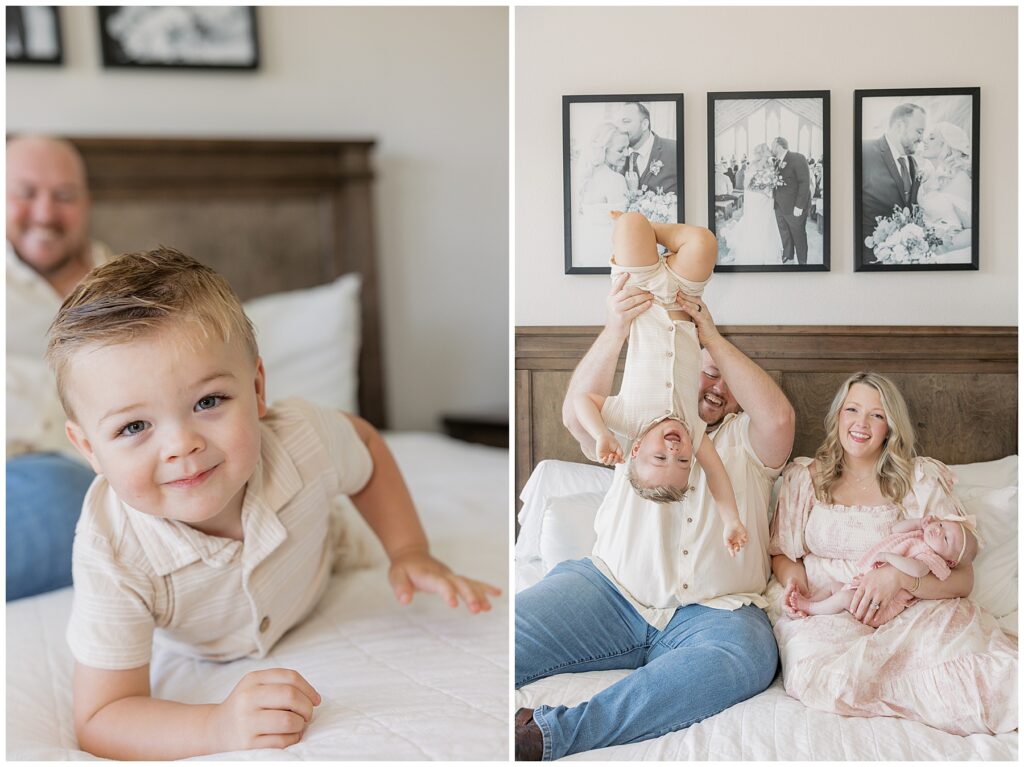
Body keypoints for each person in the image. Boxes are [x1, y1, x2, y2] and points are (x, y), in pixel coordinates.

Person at [47, 248, 501, 759]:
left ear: (258, 389)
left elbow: (367, 446)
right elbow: (101, 718)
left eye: (208, 402)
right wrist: (216, 728)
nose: (181, 445)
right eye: (134, 427)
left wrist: (409, 549)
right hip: (198, 638)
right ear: (89, 449)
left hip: (326, 553)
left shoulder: (301, 441)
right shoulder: (111, 550)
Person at [515, 260, 796, 759]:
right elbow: (577, 410)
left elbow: (776, 415)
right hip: (608, 593)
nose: (714, 387)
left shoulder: (752, 446)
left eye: (725, 382)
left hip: (716, 614)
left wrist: (707, 334)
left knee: (747, 659)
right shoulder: (646, 421)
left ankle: (550, 733)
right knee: (507, 634)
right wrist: (616, 327)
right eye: (705, 373)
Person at [769, 372, 1017, 735]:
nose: (861, 423)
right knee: (826, 681)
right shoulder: (806, 478)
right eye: (852, 409)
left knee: (981, 679)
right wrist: (796, 587)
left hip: (911, 611)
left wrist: (899, 577)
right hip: (829, 611)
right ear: (837, 415)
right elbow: (782, 554)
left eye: (877, 415)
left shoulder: (917, 478)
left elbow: (963, 577)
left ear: (891, 427)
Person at [571, 212, 747, 554]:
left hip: (640, 296)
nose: (674, 452)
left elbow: (582, 402)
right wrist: (731, 520)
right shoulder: (693, 431)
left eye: (659, 458)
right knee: (704, 243)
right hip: (681, 301)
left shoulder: (628, 420)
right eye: (682, 462)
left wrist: (601, 434)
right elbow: (717, 478)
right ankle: (667, 252)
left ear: (635, 450)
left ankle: (644, 235)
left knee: (631, 225)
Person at [6, 135, 112, 601]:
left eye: (64, 196)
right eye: (25, 193)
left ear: (87, 203)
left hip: (92, 478)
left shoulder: (131, 286)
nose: (45, 214)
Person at [784, 513, 979, 619]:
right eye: (942, 525)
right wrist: (919, 523)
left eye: (945, 538)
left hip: (881, 605)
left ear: (950, 561)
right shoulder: (919, 537)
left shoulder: (932, 558)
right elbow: (896, 530)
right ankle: (810, 601)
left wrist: (889, 558)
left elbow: (918, 571)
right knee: (833, 586)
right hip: (867, 586)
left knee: (843, 597)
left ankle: (809, 607)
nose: (938, 531)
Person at [860, 103, 926, 262]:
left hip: (902, 258)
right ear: (899, 126)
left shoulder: (913, 163)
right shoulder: (864, 151)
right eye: (919, 131)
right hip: (868, 257)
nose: (922, 139)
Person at [576, 123, 634, 266]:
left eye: (628, 148)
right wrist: (633, 191)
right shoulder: (616, 180)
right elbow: (624, 222)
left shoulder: (585, 177)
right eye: (621, 150)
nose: (627, 154)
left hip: (586, 245)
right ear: (604, 150)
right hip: (609, 248)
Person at [916, 121, 973, 262]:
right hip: (924, 256)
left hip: (948, 257)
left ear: (947, 145)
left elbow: (973, 230)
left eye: (932, 138)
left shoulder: (960, 179)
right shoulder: (928, 176)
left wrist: (935, 247)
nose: (924, 140)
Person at [723, 143, 783, 266]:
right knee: (756, 224)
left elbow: (771, 181)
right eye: (767, 150)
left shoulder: (770, 164)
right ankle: (755, 253)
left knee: (767, 223)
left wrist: (770, 188)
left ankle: (768, 252)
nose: (770, 151)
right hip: (756, 200)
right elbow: (747, 186)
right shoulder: (753, 166)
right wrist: (764, 190)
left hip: (767, 201)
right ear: (762, 153)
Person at [618, 101, 677, 195]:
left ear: (644, 124)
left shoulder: (675, 150)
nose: (621, 128)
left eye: (626, 121)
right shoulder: (618, 157)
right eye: (619, 123)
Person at [769, 136, 811, 265]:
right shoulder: (776, 162)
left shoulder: (797, 158)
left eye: (772, 145)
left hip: (794, 207)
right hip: (779, 206)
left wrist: (799, 206)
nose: (771, 148)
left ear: (779, 145)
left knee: (798, 234)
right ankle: (788, 255)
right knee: (784, 232)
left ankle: (803, 261)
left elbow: (804, 183)